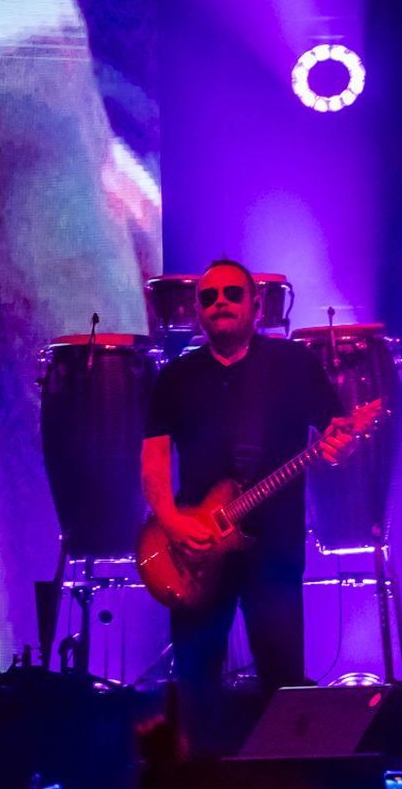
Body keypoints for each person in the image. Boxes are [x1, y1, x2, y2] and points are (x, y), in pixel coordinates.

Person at [141, 259, 351, 737]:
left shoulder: (293, 363)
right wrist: (171, 522)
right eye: (209, 297)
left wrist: (343, 444)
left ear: (256, 305)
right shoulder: (177, 376)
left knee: (283, 682)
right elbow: (153, 461)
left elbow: (337, 437)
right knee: (195, 685)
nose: (220, 304)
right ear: (197, 311)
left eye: (232, 294)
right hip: (193, 550)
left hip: (274, 551)